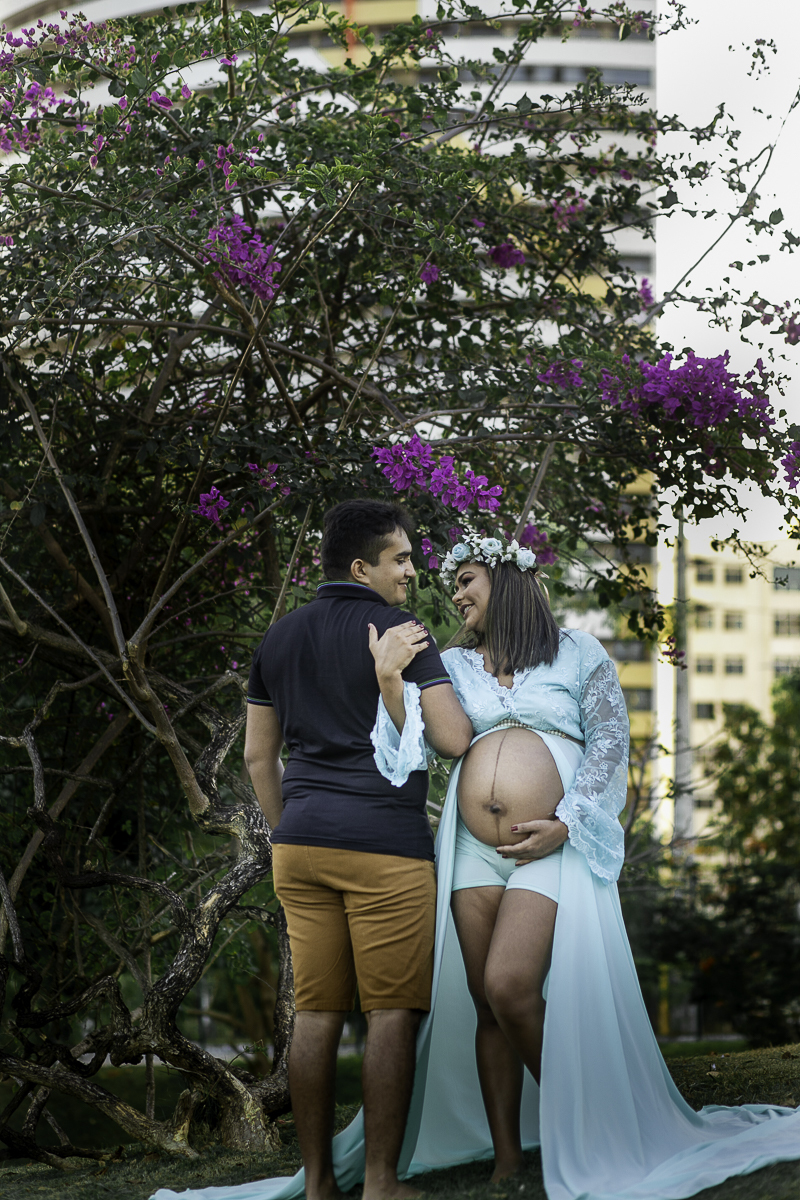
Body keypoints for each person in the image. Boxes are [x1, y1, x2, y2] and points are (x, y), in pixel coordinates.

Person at [153, 525, 800, 1200]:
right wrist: (394, 687)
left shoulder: (579, 652)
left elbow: (611, 744)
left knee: (510, 986)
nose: (453, 594)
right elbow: (416, 748)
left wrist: (566, 821)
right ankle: (505, 1157)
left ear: (506, 580)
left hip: (550, 843)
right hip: (471, 852)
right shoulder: (456, 665)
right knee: (488, 1007)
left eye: (464, 581)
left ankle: (595, 1124)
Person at [240, 499, 472, 1200]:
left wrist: (289, 829)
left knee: (315, 1013)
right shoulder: (404, 635)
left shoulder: (276, 639)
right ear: (360, 566)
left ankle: (315, 1187)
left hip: (301, 846)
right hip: (385, 849)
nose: (411, 570)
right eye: (399, 559)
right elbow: (454, 739)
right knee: (390, 1012)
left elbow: (258, 758)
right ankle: (378, 1182)